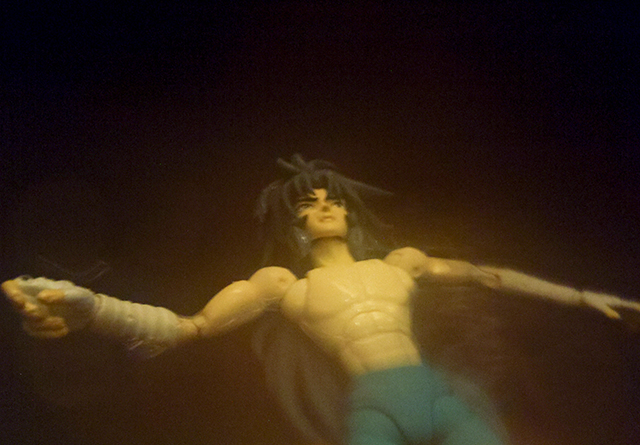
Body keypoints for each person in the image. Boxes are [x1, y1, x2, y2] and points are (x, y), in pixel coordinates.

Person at [3, 155, 640, 445]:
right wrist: (91, 309)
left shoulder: (401, 263)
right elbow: (187, 327)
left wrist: (585, 298)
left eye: (333, 199)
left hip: (438, 392)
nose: (326, 207)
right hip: (375, 406)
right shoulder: (285, 285)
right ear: (296, 227)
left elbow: (487, 275)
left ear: (349, 213)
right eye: (310, 205)